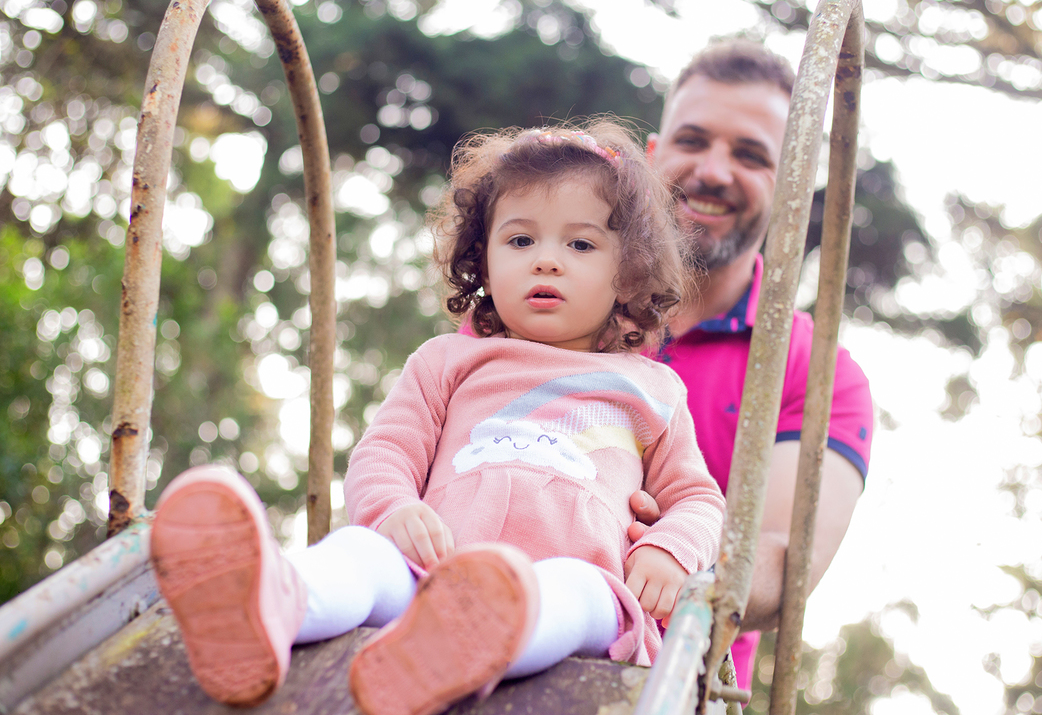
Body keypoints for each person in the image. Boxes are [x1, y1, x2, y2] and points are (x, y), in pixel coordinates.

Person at [148, 120, 726, 715]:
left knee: (578, 595)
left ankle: (477, 642)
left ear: (627, 271)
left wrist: (671, 549)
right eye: (520, 241)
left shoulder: (652, 387)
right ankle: (271, 602)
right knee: (362, 556)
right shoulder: (449, 360)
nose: (546, 262)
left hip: (579, 587)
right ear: (483, 257)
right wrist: (392, 509)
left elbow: (698, 498)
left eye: (579, 245)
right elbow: (386, 452)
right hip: (431, 576)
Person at [627, 39, 874, 688]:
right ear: (654, 156)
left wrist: (670, 554)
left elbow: (787, 562)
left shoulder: (819, 373)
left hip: (678, 686)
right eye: (693, 140)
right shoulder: (551, 293)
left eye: (750, 154)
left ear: (795, 183)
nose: (713, 170)